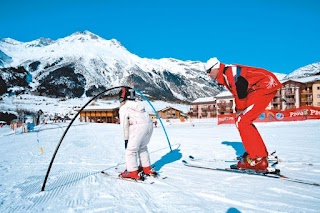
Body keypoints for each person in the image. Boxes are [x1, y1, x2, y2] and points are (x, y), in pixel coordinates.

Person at [205, 57, 282, 171]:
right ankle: (259, 153)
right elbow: (240, 91)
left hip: (264, 86)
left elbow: (240, 89)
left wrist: (240, 109)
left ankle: (258, 158)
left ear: (215, 67)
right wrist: (239, 110)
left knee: (243, 121)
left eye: (208, 71)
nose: (208, 75)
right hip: (258, 87)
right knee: (241, 120)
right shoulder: (226, 74)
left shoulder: (229, 72)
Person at [118, 87, 156, 180]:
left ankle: (132, 172)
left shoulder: (124, 108)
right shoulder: (138, 105)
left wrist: (126, 139)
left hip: (139, 127)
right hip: (149, 126)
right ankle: (146, 168)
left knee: (131, 150)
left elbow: (124, 126)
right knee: (142, 147)